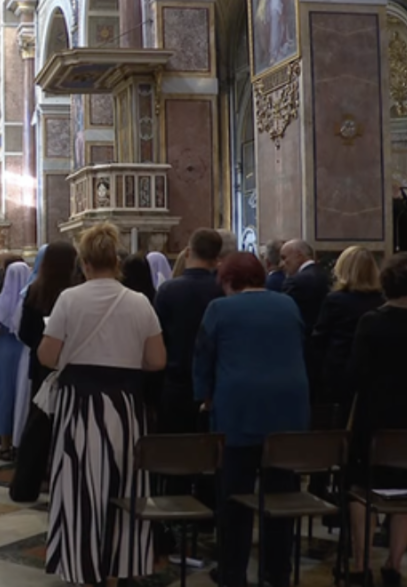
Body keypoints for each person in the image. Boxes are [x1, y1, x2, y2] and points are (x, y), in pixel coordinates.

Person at [36, 222, 166, 585]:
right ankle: (118, 566)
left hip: (80, 405)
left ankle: (81, 567)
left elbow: (47, 356)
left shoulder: (69, 299)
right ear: (116, 260)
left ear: (84, 262)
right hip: (124, 408)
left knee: (79, 487)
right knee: (124, 486)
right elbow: (157, 360)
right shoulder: (138, 301)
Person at [194, 252, 308, 587]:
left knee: (234, 496)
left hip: (238, 410)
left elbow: (203, 356)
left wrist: (204, 397)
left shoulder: (220, 308)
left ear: (228, 281)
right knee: (282, 496)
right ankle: (278, 571)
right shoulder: (288, 305)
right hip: (289, 411)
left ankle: (232, 572)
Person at [347, 253, 407, 585]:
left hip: (374, 421)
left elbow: (356, 374)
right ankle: (394, 564)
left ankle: (361, 563)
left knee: (362, 490)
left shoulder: (371, 322)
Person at [9, 240, 79, 503]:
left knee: (37, 424)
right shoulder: (76, 291)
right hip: (73, 364)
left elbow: (25, 331)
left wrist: (44, 348)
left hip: (42, 365)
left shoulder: (35, 291)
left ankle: (25, 485)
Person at [154, 229, 225, 435]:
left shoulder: (168, 290)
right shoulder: (222, 290)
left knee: (177, 453)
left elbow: (159, 336)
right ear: (216, 257)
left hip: (176, 381)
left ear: (188, 252)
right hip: (215, 383)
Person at [310, 246, 383, 420]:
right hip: (373, 373)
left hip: (338, 371)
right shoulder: (381, 301)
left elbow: (319, 339)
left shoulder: (335, 300)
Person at [0, 262, 32, 460]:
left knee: (3, 394)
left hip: (4, 351)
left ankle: (4, 445)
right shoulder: (30, 299)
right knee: (22, 395)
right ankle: (21, 442)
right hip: (24, 351)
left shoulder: (0, 300)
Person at [281, 239, 331, 400]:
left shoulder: (296, 282)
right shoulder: (328, 276)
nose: (282, 264)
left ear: (299, 255)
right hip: (326, 351)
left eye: (284, 257)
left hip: (303, 350)